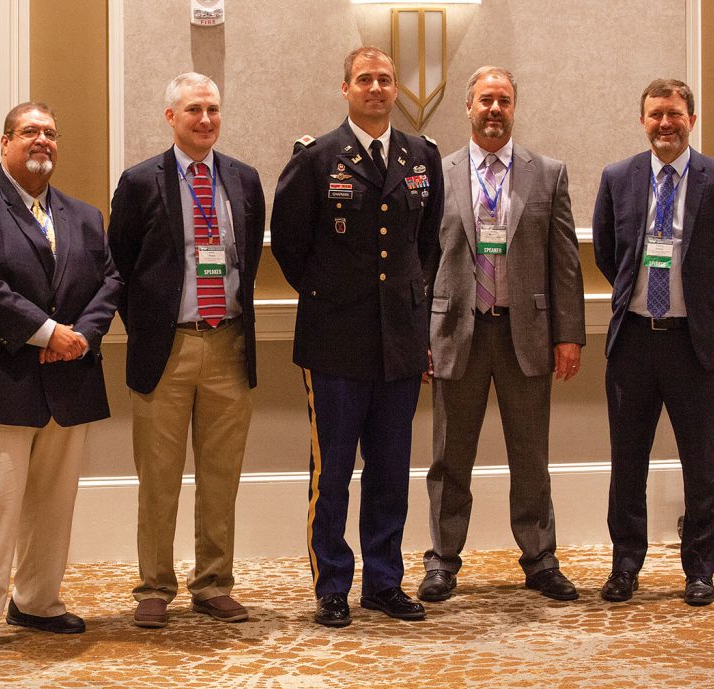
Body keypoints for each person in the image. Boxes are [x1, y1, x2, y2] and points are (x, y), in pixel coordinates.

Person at [0, 102, 121, 656]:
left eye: (49, 133)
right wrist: (46, 332)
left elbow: (110, 281)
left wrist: (81, 336)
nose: (41, 141)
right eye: (29, 133)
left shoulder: (85, 215)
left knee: (53, 504)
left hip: (69, 379)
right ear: (4, 142)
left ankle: (38, 601)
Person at [270, 46, 443, 627]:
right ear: (345, 88)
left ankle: (385, 582)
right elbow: (292, 249)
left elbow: (427, 248)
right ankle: (333, 585)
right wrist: (335, 296)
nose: (376, 88)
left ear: (397, 91)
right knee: (335, 471)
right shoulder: (316, 158)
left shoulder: (422, 156)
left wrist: (413, 322)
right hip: (334, 341)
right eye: (365, 79)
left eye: (385, 80)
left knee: (392, 470)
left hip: (398, 341)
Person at [418, 66, 585, 605]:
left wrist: (569, 335)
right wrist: (418, 333)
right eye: (486, 100)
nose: (495, 109)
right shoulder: (436, 173)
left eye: (504, 100)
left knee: (531, 457)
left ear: (515, 107)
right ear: (467, 107)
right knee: (449, 459)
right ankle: (442, 562)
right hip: (455, 333)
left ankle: (540, 560)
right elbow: (419, 262)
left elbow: (565, 264)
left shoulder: (548, 173)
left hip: (526, 334)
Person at [107, 72, 265, 628]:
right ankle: (153, 586)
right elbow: (118, 266)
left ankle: (214, 582)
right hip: (166, 349)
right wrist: (149, 328)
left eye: (213, 109)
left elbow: (247, 259)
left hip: (228, 344)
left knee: (222, 475)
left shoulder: (244, 180)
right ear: (171, 117)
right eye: (194, 110)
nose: (206, 120)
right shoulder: (139, 182)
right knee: (159, 475)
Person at [592, 78, 714, 606]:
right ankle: (624, 568)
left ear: (692, 119)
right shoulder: (619, 178)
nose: (666, 123)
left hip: (695, 346)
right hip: (634, 341)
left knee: (700, 464)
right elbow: (608, 252)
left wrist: (705, 312)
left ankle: (699, 572)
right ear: (643, 120)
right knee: (628, 462)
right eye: (656, 114)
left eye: (676, 114)